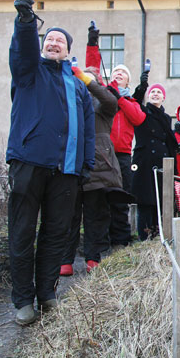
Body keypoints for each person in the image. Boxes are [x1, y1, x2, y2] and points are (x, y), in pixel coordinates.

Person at [6, 0, 95, 325]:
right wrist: (26, 22)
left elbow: (87, 130)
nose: (54, 43)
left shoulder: (78, 87)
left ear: (68, 51)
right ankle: (22, 301)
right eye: (50, 39)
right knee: (22, 231)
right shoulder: (29, 72)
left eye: (60, 40)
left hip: (67, 172)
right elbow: (23, 50)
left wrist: (85, 166)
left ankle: (46, 293)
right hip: (28, 163)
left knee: (56, 234)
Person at [60, 24, 127, 275]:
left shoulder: (104, 104)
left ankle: (92, 258)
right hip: (72, 163)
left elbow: (111, 99)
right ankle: (65, 260)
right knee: (69, 216)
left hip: (99, 166)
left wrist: (88, 80)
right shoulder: (71, 100)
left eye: (92, 79)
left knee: (95, 216)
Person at [86, 48, 146, 247]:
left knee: (120, 199)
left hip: (121, 155)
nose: (118, 74)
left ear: (128, 81)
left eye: (123, 73)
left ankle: (121, 240)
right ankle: (99, 242)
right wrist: (92, 43)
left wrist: (118, 98)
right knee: (99, 198)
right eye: (115, 72)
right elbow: (91, 70)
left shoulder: (131, 101)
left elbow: (138, 118)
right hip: (101, 153)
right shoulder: (102, 94)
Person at [131, 77, 178, 240]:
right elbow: (134, 102)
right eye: (153, 92)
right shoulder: (143, 111)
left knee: (159, 201)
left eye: (159, 92)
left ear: (163, 97)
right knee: (145, 201)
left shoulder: (166, 118)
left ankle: (158, 235)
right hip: (144, 162)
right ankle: (144, 237)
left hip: (162, 163)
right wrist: (142, 87)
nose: (156, 94)